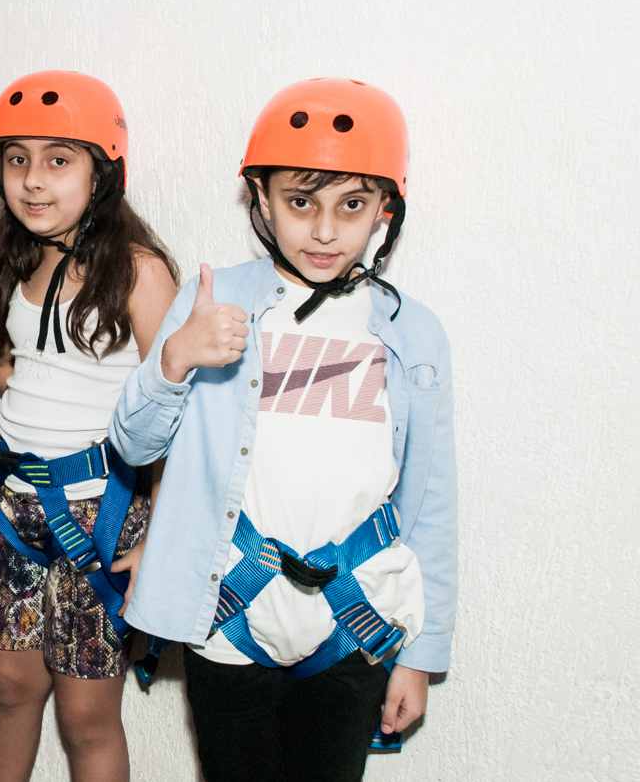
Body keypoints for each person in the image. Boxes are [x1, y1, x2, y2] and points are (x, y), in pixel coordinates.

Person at [109, 78, 458, 782]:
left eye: (351, 205)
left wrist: (422, 653)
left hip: (353, 623)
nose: (324, 231)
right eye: (301, 203)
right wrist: (175, 358)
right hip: (231, 618)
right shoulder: (218, 301)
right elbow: (133, 443)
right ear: (261, 199)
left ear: (385, 207)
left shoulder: (413, 335)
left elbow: (433, 502)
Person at [0, 70, 180, 782]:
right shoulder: (18, 253)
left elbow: (180, 410)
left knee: (86, 717)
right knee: (10, 689)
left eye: (59, 160)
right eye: (17, 158)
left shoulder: (139, 271)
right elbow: (6, 358)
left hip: (103, 511)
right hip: (10, 508)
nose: (33, 180)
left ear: (103, 172)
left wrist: (161, 531)